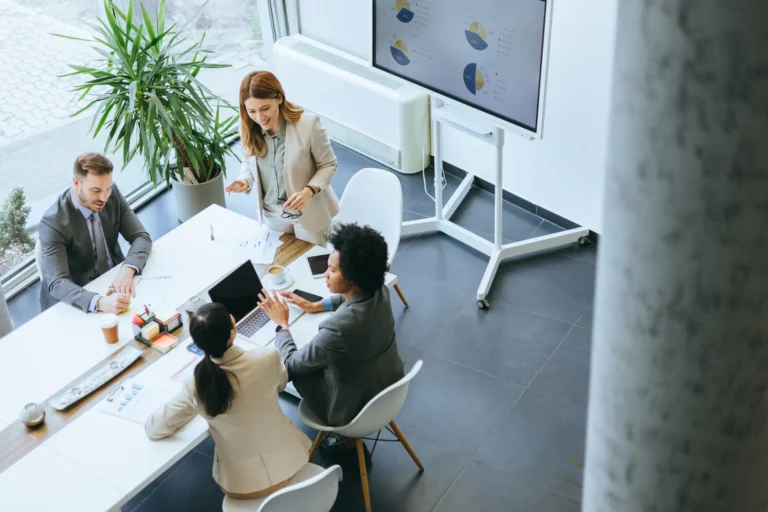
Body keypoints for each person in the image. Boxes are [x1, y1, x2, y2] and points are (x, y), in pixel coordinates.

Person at [145, 303, 312, 499]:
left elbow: (154, 430)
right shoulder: (267, 357)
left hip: (242, 487)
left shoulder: (197, 384)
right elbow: (281, 384)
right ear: (232, 334)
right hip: (292, 462)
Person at [259, 223, 405, 437]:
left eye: (333, 270)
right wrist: (316, 305)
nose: (326, 274)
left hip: (350, 409)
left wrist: (282, 325)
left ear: (353, 279)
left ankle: (343, 439)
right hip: (389, 387)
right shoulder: (380, 291)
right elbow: (353, 299)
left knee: (292, 372)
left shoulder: (339, 328)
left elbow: (291, 365)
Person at [225, 71, 340, 246]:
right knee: (281, 262)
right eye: (252, 111)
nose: (259, 117)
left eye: (265, 108)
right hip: (272, 213)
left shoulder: (308, 124)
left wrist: (308, 192)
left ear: (279, 98)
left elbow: (328, 164)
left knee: (310, 267)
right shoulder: (248, 127)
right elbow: (249, 161)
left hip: (308, 211)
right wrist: (245, 180)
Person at [38, 153, 152, 313]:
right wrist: (99, 303)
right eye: (96, 190)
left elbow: (141, 237)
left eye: (108, 189)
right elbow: (57, 282)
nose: (104, 198)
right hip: (78, 296)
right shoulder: (53, 222)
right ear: (76, 183)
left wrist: (127, 271)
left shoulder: (112, 194)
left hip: (115, 280)